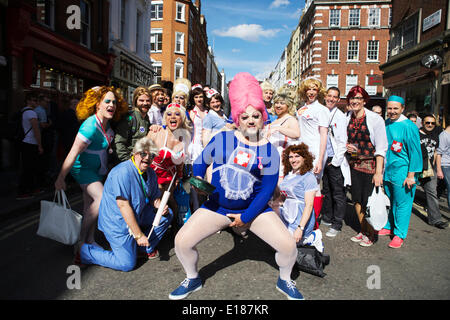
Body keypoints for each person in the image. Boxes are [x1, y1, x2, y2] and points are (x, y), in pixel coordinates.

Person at [169, 72, 302, 301]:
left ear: (263, 117)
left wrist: (246, 217)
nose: (251, 120)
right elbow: (200, 163)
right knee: (182, 241)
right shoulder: (223, 139)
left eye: (256, 115)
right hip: (217, 206)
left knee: (289, 246)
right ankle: (192, 277)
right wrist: (200, 184)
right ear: (237, 118)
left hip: (255, 210)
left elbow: (267, 189)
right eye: (245, 116)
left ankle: (285, 279)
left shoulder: (269, 151)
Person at [77, 137, 173, 270]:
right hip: (118, 223)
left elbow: (153, 197)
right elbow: (123, 206)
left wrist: (159, 205)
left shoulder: (150, 172)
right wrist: (138, 235)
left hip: (137, 214)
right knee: (127, 264)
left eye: (151, 155)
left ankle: (141, 249)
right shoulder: (122, 172)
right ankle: (84, 251)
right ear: (134, 153)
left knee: (166, 216)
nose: (147, 158)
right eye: (143, 153)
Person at [55, 86, 128, 246]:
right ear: (97, 104)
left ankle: (90, 239)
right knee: (101, 199)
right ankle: (80, 241)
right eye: (107, 101)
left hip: (97, 170)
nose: (112, 105)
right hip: (83, 170)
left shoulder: (107, 124)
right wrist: (61, 178)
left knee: (90, 206)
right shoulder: (89, 126)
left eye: (114, 102)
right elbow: (73, 153)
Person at [345, 85, 387, 247]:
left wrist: (378, 173)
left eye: (358, 98)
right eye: (352, 98)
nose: (355, 101)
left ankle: (372, 233)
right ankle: (363, 230)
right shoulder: (348, 116)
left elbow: (381, 148)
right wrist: (349, 147)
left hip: (370, 165)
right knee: (356, 199)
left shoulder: (375, 119)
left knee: (369, 200)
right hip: (354, 164)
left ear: (364, 101)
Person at [381, 95, 423, 248]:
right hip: (388, 170)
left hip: (403, 171)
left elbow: (415, 152)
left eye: (395, 109)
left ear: (402, 108)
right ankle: (389, 226)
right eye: (390, 108)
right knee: (392, 200)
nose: (392, 112)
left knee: (403, 203)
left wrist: (411, 176)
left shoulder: (409, 126)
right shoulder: (386, 123)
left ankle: (399, 234)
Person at [147, 102, 190, 227]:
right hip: (153, 175)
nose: (173, 117)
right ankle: (152, 229)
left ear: (182, 119)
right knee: (157, 202)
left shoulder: (184, 138)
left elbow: (180, 163)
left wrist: (178, 177)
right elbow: (141, 153)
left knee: (170, 200)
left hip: (170, 176)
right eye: (169, 114)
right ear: (165, 118)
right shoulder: (156, 133)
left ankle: (175, 228)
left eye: (177, 114)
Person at [320, 87, 349, 238]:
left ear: (338, 100)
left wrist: (336, 161)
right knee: (327, 190)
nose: (331, 99)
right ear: (325, 97)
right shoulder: (322, 111)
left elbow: (342, 141)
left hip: (334, 159)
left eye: (335, 97)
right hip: (323, 158)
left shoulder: (340, 116)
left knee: (338, 192)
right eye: (329, 96)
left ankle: (337, 224)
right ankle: (327, 216)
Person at [277, 144, 318, 243]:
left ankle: (312, 238)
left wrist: (300, 228)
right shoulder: (289, 175)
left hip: (299, 219)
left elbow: (309, 205)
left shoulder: (308, 177)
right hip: (287, 214)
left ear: (305, 158)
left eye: (297, 156)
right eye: (291, 157)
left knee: (285, 247)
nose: (293, 160)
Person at [263, 84, 300, 180]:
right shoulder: (274, 120)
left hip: (282, 162)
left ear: (288, 106)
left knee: (279, 190)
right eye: (277, 103)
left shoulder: (290, 119)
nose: (278, 106)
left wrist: (279, 129)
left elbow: (296, 134)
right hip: (269, 160)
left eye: (282, 103)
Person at [418, 114, 448, 229]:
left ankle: (435, 220)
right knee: (406, 194)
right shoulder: (416, 134)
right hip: (416, 168)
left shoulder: (436, 135)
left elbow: (436, 152)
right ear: (422, 123)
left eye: (432, 123)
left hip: (429, 169)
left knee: (432, 193)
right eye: (427, 123)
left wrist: (436, 169)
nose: (430, 125)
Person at [296, 77, 329, 180]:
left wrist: (320, 159)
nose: (311, 92)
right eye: (308, 89)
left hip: (315, 151)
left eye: (314, 89)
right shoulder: (301, 109)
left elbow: (324, 135)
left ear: (318, 92)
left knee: (313, 185)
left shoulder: (322, 110)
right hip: (301, 151)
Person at [16, 92, 44, 200]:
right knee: (29, 168)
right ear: (28, 101)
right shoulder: (31, 113)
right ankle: (23, 192)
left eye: (36, 100)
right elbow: (36, 130)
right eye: (33, 100)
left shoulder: (24, 112)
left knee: (31, 167)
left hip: (25, 142)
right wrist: (40, 145)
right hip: (30, 143)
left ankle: (31, 188)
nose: (35, 102)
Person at [113, 87, 151, 162]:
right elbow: (119, 143)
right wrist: (128, 161)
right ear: (135, 101)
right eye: (141, 100)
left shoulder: (146, 118)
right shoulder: (129, 118)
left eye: (148, 101)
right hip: (128, 163)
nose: (145, 103)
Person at [188, 83, 208, 164]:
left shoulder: (208, 112)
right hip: (195, 146)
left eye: (201, 97)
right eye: (196, 97)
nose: (199, 99)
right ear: (193, 99)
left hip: (206, 145)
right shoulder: (190, 112)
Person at [436, 118, 450, 209]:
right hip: (445, 164)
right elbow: (438, 153)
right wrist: (439, 169)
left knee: (442, 185)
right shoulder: (443, 135)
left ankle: (431, 201)